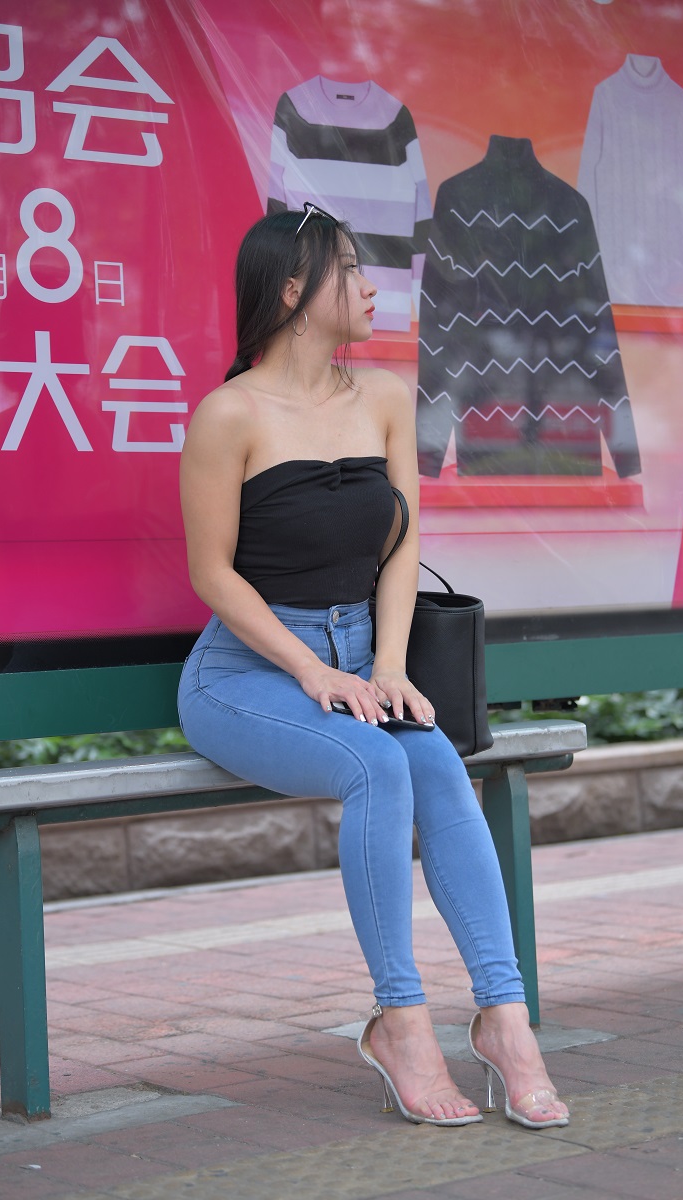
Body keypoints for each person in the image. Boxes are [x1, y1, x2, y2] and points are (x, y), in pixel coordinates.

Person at [177, 202, 570, 1130]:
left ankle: (506, 1022)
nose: (368, 287)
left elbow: (403, 547)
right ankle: (401, 1022)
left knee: (435, 762)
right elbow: (211, 575)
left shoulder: (385, 398)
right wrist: (312, 672)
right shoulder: (228, 415)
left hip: (362, 668)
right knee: (378, 765)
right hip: (246, 676)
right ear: (291, 291)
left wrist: (388, 663)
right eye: (348, 269)